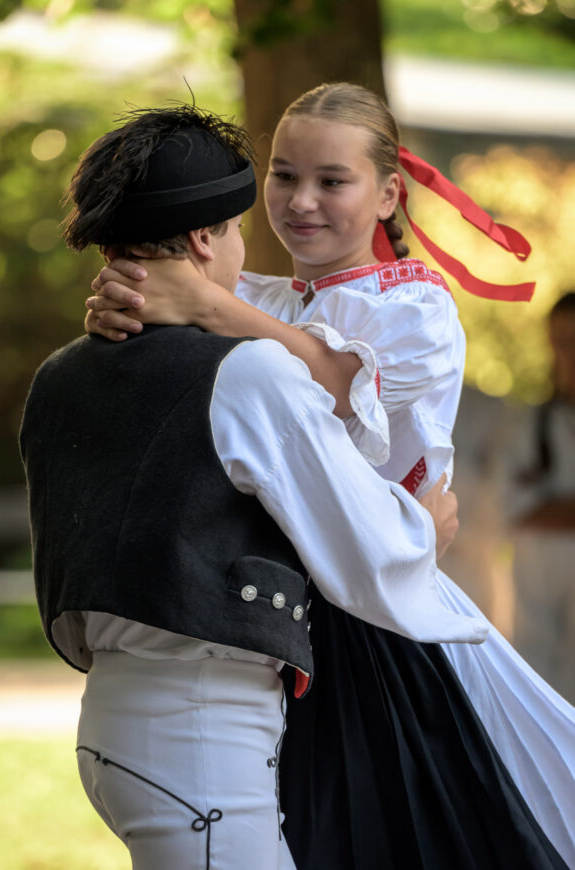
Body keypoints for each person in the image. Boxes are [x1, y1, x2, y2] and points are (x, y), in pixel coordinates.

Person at [84, 87, 574, 868]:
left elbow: (333, 380)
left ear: (388, 193)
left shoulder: (414, 308)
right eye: (283, 176)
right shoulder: (250, 295)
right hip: (256, 618)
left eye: (331, 180)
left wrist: (203, 301)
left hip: (373, 615)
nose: (301, 201)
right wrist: (123, 300)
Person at [505, 291, 575, 703]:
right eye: (563, 342)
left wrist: (554, 510)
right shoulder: (528, 425)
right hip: (539, 627)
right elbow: (513, 508)